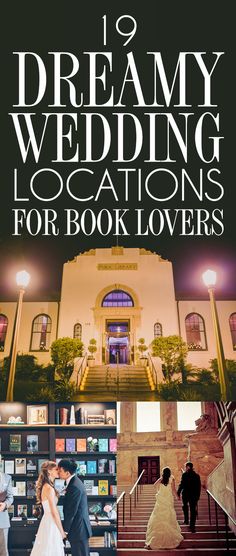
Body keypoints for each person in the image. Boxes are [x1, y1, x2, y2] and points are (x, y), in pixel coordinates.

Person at [58, 459, 92, 556]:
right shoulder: (73, 482)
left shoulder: (74, 486)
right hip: (78, 528)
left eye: (60, 470)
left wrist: (65, 530)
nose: (58, 472)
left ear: (67, 473)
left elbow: (71, 511)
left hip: (78, 529)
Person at [30, 461, 65, 555]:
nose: (58, 471)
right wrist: (62, 532)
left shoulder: (47, 486)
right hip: (51, 522)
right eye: (56, 469)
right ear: (49, 471)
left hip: (47, 520)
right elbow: (54, 512)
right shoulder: (49, 488)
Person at [145, 467, 183, 550]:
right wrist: (177, 497)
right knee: (168, 518)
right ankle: (170, 541)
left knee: (158, 518)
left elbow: (154, 485)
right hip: (168, 500)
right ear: (169, 472)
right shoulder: (171, 479)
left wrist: (159, 491)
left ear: (163, 472)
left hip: (161, 500)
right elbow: (173, 490)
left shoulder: (161, 479)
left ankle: (153, 542)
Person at [177, 461, 201, 533]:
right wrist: (198, 496)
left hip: (186, 494)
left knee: (185, 507)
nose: (185, 468)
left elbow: (182, 484)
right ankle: (192, 527)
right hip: (193, 495)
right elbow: (198, 487)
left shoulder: (185, 475)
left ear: (188, 467)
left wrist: (178, 492)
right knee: (192, 510)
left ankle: (186, 520)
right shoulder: (197, 475)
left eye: (186, 467)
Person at [0, 470, 14, 556]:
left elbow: (10, 498)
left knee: (3, 551)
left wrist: (4, 504)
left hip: (2, 521)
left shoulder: (7, 478)